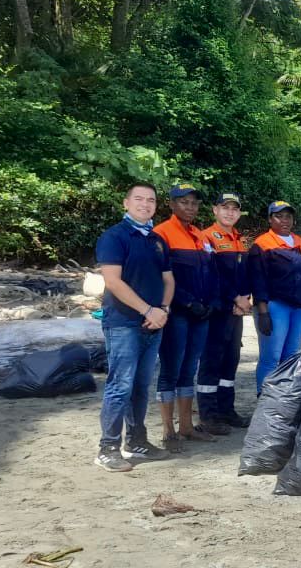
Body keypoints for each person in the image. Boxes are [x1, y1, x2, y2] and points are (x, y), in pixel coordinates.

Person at [93, 183, 173, 472]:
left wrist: (162, 310)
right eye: (138, 199)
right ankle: (108, 447)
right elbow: (113, 281)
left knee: (141, 386)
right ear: (126, 203)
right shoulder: (114, 237)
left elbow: (168, 279)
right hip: (123, 323)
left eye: (150, 200)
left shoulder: (156, 240)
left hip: (154, 323)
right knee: (119, 386)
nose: (145, 204)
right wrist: (147, 309)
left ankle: (137, 441)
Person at [152, 183, 218, 450]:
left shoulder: (200, 236)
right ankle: (169, 431)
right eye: (184, 202)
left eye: (194, 203)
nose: (189, 207)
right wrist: (188, 302)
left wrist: (211, 301)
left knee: (189, 368)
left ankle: (187, 426)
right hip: (177, 313)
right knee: (171, 369)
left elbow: (211, 273)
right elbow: (163, 278)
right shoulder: (161, 234)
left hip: (201, 313)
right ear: (171, 204)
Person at [249, 201, 301, 394]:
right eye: (279, 216)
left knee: (291, 357)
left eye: (288, 216)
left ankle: (283, 402)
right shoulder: (262, 244)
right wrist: (262, 311)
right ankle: (265, 401)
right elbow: (258, 279)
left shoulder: (300, 243)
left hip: (299, 308)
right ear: (270, 219)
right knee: (271, 357)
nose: (284, 220)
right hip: (275, 306)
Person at [196, 192, 252, 433]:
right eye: (225, 207)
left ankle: (226, 410)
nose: (230, 212)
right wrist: (234, 298)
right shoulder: (207, 237)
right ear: (214, 210)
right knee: (212, 360)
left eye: (234, 208)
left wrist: (245, 299)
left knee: (231, 361)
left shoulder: (239, 239)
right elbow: (212, 276)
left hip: (236, 311)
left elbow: (243, 275)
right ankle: (208, 416)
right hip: (218, 309)